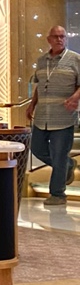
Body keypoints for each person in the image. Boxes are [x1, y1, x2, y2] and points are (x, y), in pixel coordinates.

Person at [26, 24, 80, 207]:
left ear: (66, 39)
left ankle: (58, 194)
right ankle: (68, 165)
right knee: (37, 149)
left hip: (63, 116)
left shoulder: (75, 59)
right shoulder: (42, 61)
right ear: (49, 39)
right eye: (55, 36)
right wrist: (32, 105)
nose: (59, 39)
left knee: (59, 155)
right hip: (42, 116)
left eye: (62, 36)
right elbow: (39, 86)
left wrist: (75, 98)